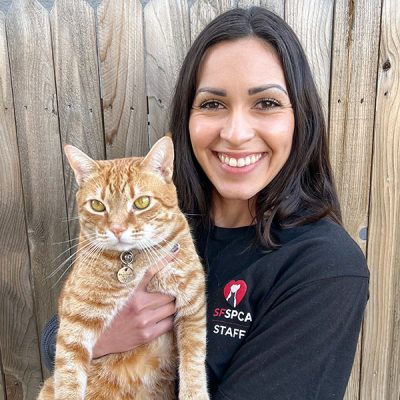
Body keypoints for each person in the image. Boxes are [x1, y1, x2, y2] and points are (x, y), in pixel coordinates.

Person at [41, 7, 369, 399]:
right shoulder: (158, 218)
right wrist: (105, 336)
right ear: (187, 117)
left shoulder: (323, 267)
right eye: (213, 104)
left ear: (301, 117)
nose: (235, 133)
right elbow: (55, 334)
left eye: (266, 103)